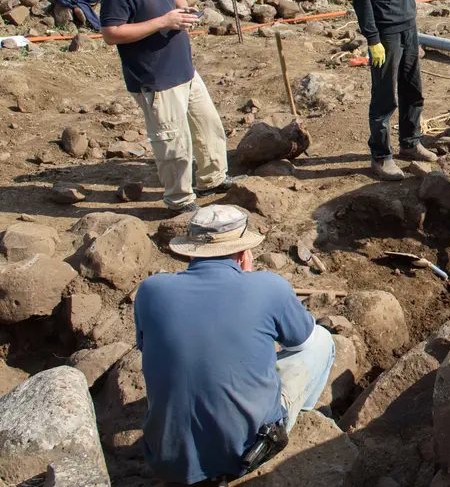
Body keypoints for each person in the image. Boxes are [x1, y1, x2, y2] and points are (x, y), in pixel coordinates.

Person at [135, 205, 336, 486]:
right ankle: (299, 418)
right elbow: (302, 339)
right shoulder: (269, 286)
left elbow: (150, 349)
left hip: (167, 461)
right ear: (243, 254)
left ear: (191, 251)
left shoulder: (150, 290)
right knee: (323, 340)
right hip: (245, 455)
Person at [100, 0, 240, 215]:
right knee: (173, 143)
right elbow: (111, 34)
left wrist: (183, 9)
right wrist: (164, 21)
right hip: (155, 77)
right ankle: (179, 199)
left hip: (184, 69)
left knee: (208, 128)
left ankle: (212, 179)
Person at [352, 0, 437, 182]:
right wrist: (372, 38)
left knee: (413, 90)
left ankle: (411, 143)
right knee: (385, 97)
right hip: (385, 33)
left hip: (408, 26)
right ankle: (381, 156)